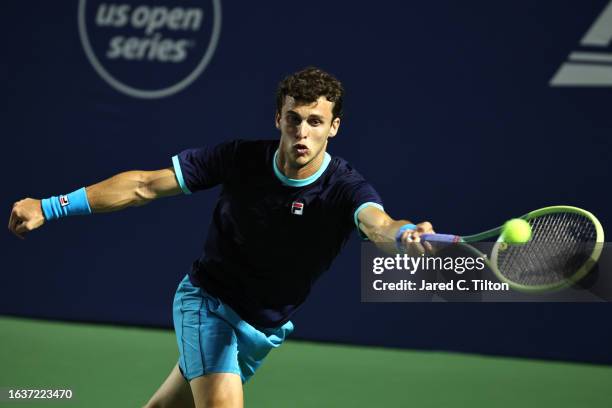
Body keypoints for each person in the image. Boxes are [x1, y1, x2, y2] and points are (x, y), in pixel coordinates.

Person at [8, 67, 434, 408]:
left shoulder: (345, 188)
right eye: (294, 119)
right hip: (207, 304)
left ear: (334, 127)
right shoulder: (239, 158)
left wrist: (404, 236)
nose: (302, 132)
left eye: (315, 122)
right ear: (279, 119)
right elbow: (143, 185)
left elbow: (378, 224)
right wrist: (49, 206)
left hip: (261, 328)